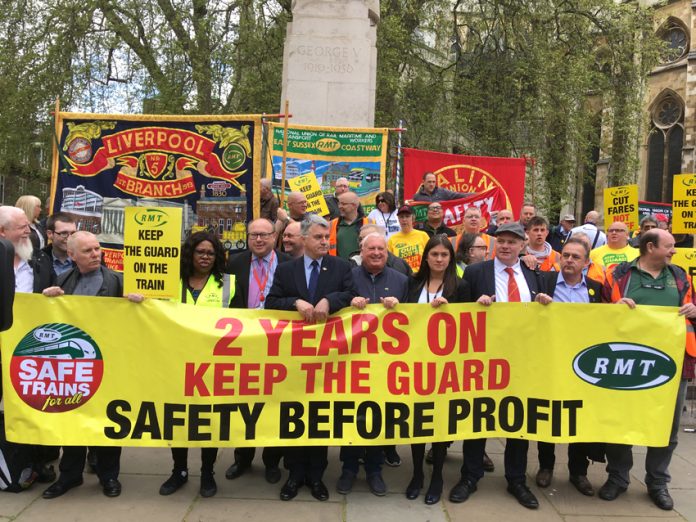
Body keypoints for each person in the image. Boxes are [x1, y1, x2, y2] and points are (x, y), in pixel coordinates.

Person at [598, 229, 696, 511]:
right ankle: (618, 477)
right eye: (669, 246)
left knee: (667, 426)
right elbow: (597, 312)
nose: (674, 250)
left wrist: (693, 310)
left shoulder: (679, 276)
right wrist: (614, 308)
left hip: (672, 363)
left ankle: (658, 482)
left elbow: (694, 305)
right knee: (621, 421)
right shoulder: (619, 275)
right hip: (626, 364)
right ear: (650, 247)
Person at [40, 231, 143, 499]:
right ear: (72, 256)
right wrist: (46, 299)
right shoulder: (62, 280)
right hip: (75, 368)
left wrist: (139, 304)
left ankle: (109, 477)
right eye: (87, 251)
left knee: (108, 421)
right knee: (72, 420)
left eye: (97, 248)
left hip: (109, 365)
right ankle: (70, 476)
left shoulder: (118, 281)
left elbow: (140, 322)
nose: (96, 254)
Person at [266, 214, 356, 502]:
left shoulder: (340, 266)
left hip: (328, 359)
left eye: (325, 237)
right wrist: (295, 302)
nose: (324, 241)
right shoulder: (286, 270)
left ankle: (316, 476)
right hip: (294, 359)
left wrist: (330, 300)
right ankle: (294, 474)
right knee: (294, 416)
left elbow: (351, 294)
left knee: (319, 417)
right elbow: (271, 302)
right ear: (303, 239)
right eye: (318, 237)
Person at [457, 222, 546, 509]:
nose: (506, 246)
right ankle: (470, 475)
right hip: (484, 358)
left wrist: (545, 303)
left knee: (518, 419)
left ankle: (516, 480)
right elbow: (458, 313)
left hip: (523, 359)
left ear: (523, 245)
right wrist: (475, 304)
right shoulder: (475, 272)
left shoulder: (534, 274)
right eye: (501, 241)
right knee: (477, 416)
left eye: (512, 241)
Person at [159, 231, 232, 498]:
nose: (205, 257)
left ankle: (207, 472)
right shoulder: (169, 281)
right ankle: (179, 470)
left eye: (211, 253)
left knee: (209, 422)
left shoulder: (228, 283)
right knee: (176, 420)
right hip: (176, 362)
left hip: (213, 365)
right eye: (200, 252)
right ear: (190, 253)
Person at [532, 237, 605, 496]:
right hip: (550, 360)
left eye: (576, 257)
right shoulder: (544, 282)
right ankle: (545, 466)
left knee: (579, 418)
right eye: (566, 256)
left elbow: (609, 322)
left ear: (586, 263)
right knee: (547, 414)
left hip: (583, 366)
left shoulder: (596, 289)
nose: (570, 261)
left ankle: (578, 471)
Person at [337, 233, 408, 497]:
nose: (376, 253)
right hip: (352, 362)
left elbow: (416, 321)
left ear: (387, 252)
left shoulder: (401, 281)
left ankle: (375, 470)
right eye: (371, 249)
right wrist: (348, 302)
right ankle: (349, 468)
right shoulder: (349, 277)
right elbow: (335, 305)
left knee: (379, 417)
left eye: (381, 249)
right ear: (361, 251)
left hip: (385, 365)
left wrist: (400, 309)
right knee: (351, 416)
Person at [405, 235, 470, 505]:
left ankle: (437, 476)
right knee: (417, 420)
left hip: (447, 367)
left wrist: (450, 310)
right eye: (435, 255)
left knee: (441, 423)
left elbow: (471, 321)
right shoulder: (413, 282)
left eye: (445, 255)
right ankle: (418, 473)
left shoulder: (461, 286)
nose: (440, 259)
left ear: (450, 259)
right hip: (415, 363)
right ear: (426, 257)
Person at [225, 219, 289, 484]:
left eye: (264, 235)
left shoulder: (288, 264)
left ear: (275, 236)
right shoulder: (234, 263)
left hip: (279, 343)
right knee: (244, 402)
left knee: (275, 403)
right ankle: (242, 457)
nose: (259, 240)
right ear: (247, 238)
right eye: (254, 235)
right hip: (245, 343)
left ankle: (271, 460)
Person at [387, 205, 430, 272]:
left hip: (420, 276)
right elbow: (390, 263)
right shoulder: (392, 239)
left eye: (407, 216)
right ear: (398, 219)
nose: (404, 220)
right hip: (402, 277)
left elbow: (430, 256)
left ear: (413, 218)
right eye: (401, 217)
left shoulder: (423, 235)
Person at [328, 191, 367, 258]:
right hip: (338, 266)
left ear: (354, 205)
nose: (340, 206)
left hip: (362, 266)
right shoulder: (331, 224)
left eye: (343, 204)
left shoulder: (369, 223)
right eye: (339, 203)